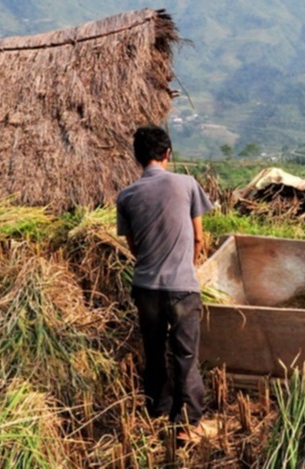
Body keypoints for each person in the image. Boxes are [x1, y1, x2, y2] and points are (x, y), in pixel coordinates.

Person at [116, 124, 214, 435]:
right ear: (168, 153)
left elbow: (133, 248)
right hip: (182, 287)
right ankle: (187, 422)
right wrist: (189, 265)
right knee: (185, 354)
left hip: (146, 288)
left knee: (154, 351)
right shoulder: (186, 184)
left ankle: (157, 410)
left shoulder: (126, 196)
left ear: (137, 158)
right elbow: (198, 237)